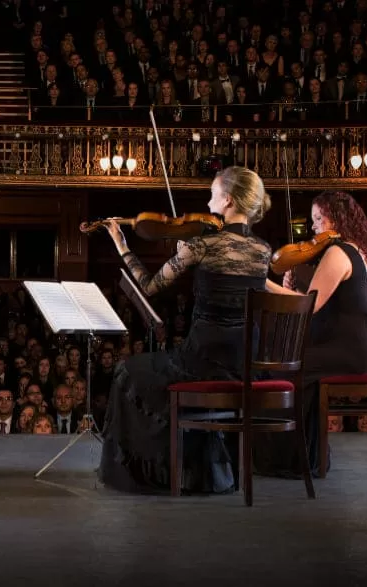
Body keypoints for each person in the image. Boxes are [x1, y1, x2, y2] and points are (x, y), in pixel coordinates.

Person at [97, 167, 273, 494]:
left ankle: (156, 473)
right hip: (243, 363)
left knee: (126, 370)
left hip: (202, 361)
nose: (208, 202)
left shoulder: (202, 245)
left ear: (228, 200)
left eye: (212, 194)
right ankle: (199, 469)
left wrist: (122, 246)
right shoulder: (263, 251)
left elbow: (149, 286)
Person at [261, 191, 367, 476]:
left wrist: (262, 282)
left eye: (318, 219)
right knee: (289, 364)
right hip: (353, 351)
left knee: (282, 370)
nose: (313, 227)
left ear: (337, 220)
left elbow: (308, 307)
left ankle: (294, 460)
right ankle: (309, 456)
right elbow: (317, 302)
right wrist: (292, 291)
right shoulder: (357, 250)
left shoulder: (338, 253)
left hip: (344, 354)